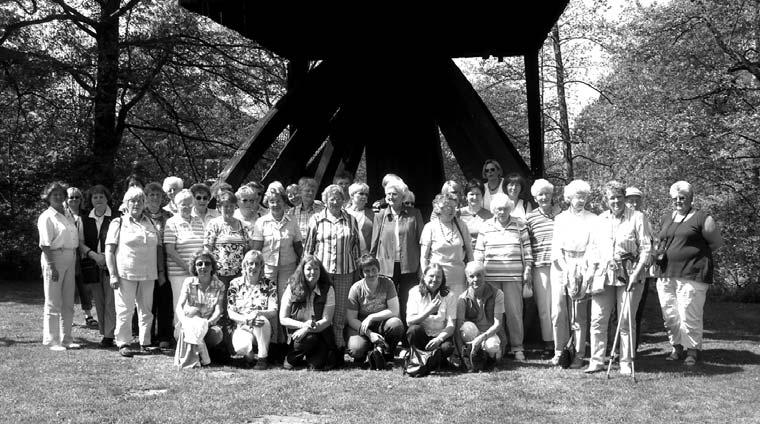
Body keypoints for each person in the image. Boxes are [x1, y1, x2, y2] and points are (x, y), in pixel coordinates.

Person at [584, 181, 651, 375]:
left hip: (630, 276)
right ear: (606, 200)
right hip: (604, 276)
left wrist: (636, 272)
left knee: (626, 320)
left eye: (619, 197)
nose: (616, 201)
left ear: (624, 198)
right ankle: (596, 361)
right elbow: (593, 248)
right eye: (611, 198)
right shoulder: (600, 220)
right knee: (598, 319)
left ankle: (625, 361)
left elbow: (646, 248)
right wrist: (593, 269)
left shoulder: (638, 218)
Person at [656, 181, 723, 366]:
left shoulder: (702, 218)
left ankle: (692, 351)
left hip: (692, 274)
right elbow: (661, 241)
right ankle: (676, 347)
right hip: (666, 273)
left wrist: (695, 256)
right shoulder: (666, 217)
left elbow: (716, 243)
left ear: (691, 198)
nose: (678, 201)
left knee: (689, 314)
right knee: (670, 314)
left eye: (682, 197)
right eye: (675, 198)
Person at [105, 186, 164, 357]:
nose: (136, 203)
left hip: (148, 274)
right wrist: (113, 274)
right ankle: (123, 342)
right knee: (125, 309)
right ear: (126, 203)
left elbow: (158, 248)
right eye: (132, 200)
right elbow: (109, 251)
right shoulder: (119, 223)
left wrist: (160, 272)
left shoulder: (151, 222)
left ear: (144, 203)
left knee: (146, 310)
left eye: (139, 200)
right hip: (126, 274)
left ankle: (145, 342)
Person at [474, 193, 533, 361]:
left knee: (514, 313)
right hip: (491, 276)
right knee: (494, 313)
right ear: (494, 210)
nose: (502, 212)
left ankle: (517, 347)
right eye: (499, 209)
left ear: (510, 208)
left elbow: (527, 250)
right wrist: (478, 273)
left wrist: (528, 269)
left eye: (506, 208)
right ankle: (499, 346)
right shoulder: (485, 226)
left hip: (514, 276)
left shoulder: (519, 224)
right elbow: (479, 252)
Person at [304, 184, 361, 351]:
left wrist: (357, 274)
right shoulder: (315, 219)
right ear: (325, 200)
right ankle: (321, 346)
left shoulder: (351, 219)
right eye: (331, 198)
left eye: (338, 198)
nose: (335, 202)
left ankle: (338, 347)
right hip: (322, 274)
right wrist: (305, 272)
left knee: (341, 311)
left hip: (345, 272)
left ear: (344, 200)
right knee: (322, 309)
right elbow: (308, 249)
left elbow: (356, 249)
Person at [549, 179, 597, 368]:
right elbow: (555, 248)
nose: (581, 200)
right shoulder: (560, 218)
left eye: (584, 196)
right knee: (559, 311)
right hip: (561, 266)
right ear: (569, 197)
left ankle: (579, 353)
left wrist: (584, 273)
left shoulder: (593, 219)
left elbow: (593, 248)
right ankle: (559, 351)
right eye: (578, 196)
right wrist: (567, 268)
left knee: (579, 314)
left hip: (582, 265)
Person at [371, 176, 424, 327]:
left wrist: (422, 266)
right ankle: (389, 334)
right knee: (386, 301)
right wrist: (371, 264)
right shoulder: (380, 215)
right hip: (386, 267)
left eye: (394, 194)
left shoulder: (414, 214)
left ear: (402, 196)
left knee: (407, 299)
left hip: (409, 265)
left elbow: (422, 242)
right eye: (388, 193)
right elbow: (374, 243)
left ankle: (407, 336)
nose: (390, 197)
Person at [38, 181, 80, 351]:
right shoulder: (46, 217)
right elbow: (45, 245)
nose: (58, 196)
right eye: (54, 194)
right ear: (48, 197)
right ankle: (52, 340)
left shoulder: (68, 214)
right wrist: (52, 267)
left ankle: (67, 338)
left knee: (68, 302)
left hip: (70, 257)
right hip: (54, 258)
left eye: (60, 193)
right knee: (53, 301)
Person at [279, 255, 337, 370]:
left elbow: (327, 320)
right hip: (298, 334)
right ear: (302, 270)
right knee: (289, 365)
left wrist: (307, 328)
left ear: (321, 271)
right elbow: (283, 318)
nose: (313, 272)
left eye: (316, 269)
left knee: (316, 367)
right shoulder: (292, 288)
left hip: (320, 334)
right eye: (309, 269)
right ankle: (294, 356)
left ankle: (313, 357)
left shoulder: (328, 289)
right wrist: (303, 326)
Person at [345, 255, 403, 368]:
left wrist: (371, 317)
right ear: (362, 273)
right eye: (367, 271)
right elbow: (351, 319)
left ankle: (387, 353)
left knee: (396, 324)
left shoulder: (388, 283)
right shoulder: (355, 289)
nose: (371, 274)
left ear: (378, 269)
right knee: (356, 350)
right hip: (361, 327)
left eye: (373, 270)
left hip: (382, 324)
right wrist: (370, 334)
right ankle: (370, 350)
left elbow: (395, 310)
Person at [78, 184, 118, 347]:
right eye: (95, 197)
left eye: (101, 196)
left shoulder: (117, 217)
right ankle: (105, 331)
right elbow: (80, 243)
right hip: (93, 263)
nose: (99, 199)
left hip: (112, 263)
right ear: (91, 200)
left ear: (107, 198)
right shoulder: (84, 219)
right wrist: (94, 256)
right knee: (99, 300)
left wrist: (106, 258)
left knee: (111, 301)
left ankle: (109, 334)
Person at [173, 251, 226, 368]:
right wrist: (184, 322)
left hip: (208, 324)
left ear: (212, 266)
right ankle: (199, 356)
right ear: (194, 267)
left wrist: (208, 323)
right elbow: (179, 306)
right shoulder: (188, 282)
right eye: (199, 264)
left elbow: (218, 309)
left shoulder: (220, 285)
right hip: (189, 323)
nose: (203, 267)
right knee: (179, 333)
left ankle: (198, 354)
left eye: (207, 264)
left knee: (216, 335)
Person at [525, 179, 559, 356]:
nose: (544, 197)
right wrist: (528, 268)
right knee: (544, 306)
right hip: (540, 266)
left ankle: (563, 340)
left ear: (552, 195)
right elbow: (527, 244)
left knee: (560, 305)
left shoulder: (561, 214)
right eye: (540, 194)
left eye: (547, 193)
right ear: (535, 197)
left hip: (560, 265)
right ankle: (548, 342)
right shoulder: (529, 218)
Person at [228, 250, 278, 369]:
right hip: (242, 326)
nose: (253, 267)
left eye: (257, 263)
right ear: (245, 265)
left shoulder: (269, 284)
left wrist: (257, 313)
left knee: (260, 319)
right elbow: (230, 312)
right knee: (242, 348)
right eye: (250, 263)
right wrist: (247, 320)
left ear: (262, 266)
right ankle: (249, 356)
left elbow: (273, 310)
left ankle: (262, 358)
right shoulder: (235, 284)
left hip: (261, 326)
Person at [164, 189, 206, 333]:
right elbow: (170, 250)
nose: (187, 207)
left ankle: (194, 336)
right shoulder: (171, 222)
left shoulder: (198, 221)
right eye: (183, 204)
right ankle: (180, 336)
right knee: (181, 305)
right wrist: (188, 268)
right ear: (176, 205)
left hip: (198, 272)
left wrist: (199, 268)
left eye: (189, 204)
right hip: (179, 273)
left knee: (196, 304)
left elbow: (203, 246)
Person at [420, 193, 473, 298]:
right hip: (437, 281)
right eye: (449, 207)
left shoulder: (462, 225)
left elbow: (470, 252)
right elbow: (424, 257)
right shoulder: (430, 227)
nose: (453, 210)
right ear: (439, 208)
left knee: (458, 311)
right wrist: (426, 278)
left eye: (455, 207)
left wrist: (471, 274)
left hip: (459, 279)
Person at [455, 262, 504, 369]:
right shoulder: (462, 299)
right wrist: (462, 357)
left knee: (492, 346)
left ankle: (491, 355)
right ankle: (475, 355)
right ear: (467, 279)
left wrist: (482, 337)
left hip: (490, 333)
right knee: (465, 327)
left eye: (479, 275)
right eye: (471, 276)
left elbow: (498, 324)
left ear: (484, 275)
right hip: (473, 333)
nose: (476, 279)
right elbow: (458, 328)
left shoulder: (497, 294)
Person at [406, 262, 457, 365]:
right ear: (424, 276)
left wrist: (439, 339)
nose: (434, 280)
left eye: (438, 277)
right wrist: (429, 311)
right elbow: (409, 321)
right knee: (413, 330)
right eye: (431, 276)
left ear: (442, 279)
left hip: (439, 336)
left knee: (447, 348)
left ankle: (428, 360)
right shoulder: (414, 292)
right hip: (422, 336)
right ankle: (432, 360)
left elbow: (451, 325)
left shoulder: (450, 295)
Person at [143, 182, 172, 348]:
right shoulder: (141, 215)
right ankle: (147, 335)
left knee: (164, 301)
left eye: (158, 195)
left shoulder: (169, 216)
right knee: (147, 302)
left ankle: (164, 336)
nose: (155, 198)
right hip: (146, 264)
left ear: (162, 198)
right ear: (146, 198)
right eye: (151, 195)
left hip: (166, 264)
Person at [626, 186, 654, 351]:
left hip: (642, 272)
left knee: (636, 311)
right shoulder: (621, 219)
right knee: (619, 312)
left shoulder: (644, 219)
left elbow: (650, 246)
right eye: (630, 199)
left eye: (637, 199)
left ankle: (631, 349)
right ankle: (616, 349)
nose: (634, 203)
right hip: (622, 272)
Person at [204, 190, 251, 287]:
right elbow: (207, 250)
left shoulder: (243, 226)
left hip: (239, 275)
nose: (229, 209)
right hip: (219, 275)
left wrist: (245, 271)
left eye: (231, 206)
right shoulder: (213, 224)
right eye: (225, 206)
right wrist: (212, 272)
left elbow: (248, 250)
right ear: (219, 207)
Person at [66, 186, 97, 328]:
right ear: (66, 200)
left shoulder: (87, 215)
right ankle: (67, 315)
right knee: (69, 286)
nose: (74, 200)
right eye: (71, 197)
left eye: (77, 197)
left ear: (81, 199)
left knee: (85, 286)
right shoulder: (63, 215)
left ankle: (88, 315)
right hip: (68, 255)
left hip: (84, 255)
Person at [459, 179, 493, 250]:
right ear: (466, 196)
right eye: (471, 194)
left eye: (477, 194)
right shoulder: (459, 214)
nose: (475, 197)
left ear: (482, 196)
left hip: (483, 251)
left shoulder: (489, 216)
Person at [344, 182, 374, 255]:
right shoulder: (344, 213)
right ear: (352, 195)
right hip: (347, 254)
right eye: (361, 193)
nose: (364, 196)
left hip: (365, 256)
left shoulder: (372, 215)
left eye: (366, 194)